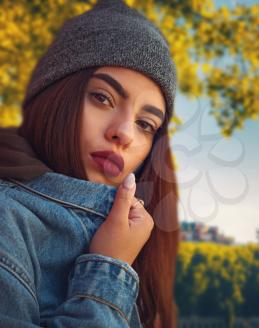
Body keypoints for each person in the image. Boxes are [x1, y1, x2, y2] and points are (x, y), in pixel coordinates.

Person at [0, 0, 180, 327]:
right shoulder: (5, 218)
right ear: (56, 96)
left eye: (145, 124)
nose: (124, 133)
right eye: (102, 98)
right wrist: (108, 266)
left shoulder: (136, 238)